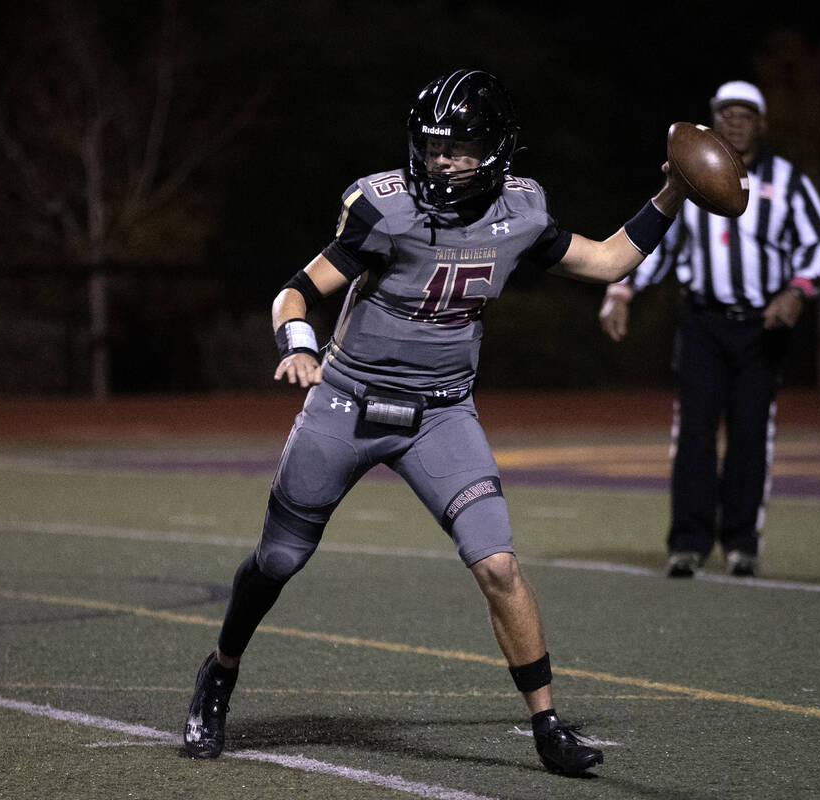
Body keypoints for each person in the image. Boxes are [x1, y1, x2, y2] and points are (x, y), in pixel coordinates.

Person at [182, 68, 687, 776]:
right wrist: (298, 347)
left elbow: (607, 261)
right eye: (433, 146)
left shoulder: (523, 211)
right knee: (280, 559)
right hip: (348, 400)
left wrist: (673, 194)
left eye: (460, 147)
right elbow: (295, 292)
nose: (442, 161)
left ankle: (546, 725)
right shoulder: (383, 209)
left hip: (441, 412)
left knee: (500, 565)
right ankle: (221, 670)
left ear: (498, 149)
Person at [598, 80, 820, 579]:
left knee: (751, 436)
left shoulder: (789, 181)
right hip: (702, 322)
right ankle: (688, 542)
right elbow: (658, 244)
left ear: (761, 123)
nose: (735, 121)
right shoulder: (692, 178)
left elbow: (818, 242)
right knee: (694, 436)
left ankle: (741, 543)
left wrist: (798, 290)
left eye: (746, 113)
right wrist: (622, 291)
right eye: (726, 113)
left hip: (761, 326)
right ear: (713, 120)